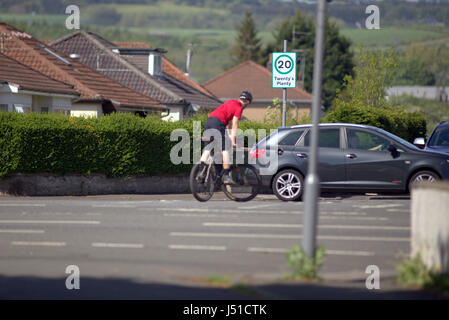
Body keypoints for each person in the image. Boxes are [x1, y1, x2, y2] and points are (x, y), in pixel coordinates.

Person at [199, 90, 253, 184]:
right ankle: (226, 175)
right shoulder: (239, 108)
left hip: (209, 121)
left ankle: (200, 172)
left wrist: (228, 135)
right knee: (225, 149)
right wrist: (233, 140)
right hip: (218, 123)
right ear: (248, 102)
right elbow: (234, 124)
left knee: (207, 148)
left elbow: (226, 123)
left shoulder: (230, 101)